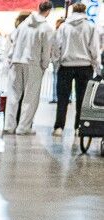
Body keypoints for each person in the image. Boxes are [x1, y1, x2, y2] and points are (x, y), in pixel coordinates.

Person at [6, 3, 56, 135]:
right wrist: (44, 65)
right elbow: (46, 50)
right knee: (30, 97)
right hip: (33, 63)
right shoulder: (46, 28)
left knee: (13, 96)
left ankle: (9, 126)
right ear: (48, 11)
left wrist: (11, 59)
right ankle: (23, 127)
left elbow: (14, 42)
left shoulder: (23, 24)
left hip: (16, 61)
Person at [53, 3, 101, 137]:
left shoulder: (63, 27)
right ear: (85, 11)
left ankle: (59, 127)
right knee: (82, 99)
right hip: (84, 67)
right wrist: (96, 66)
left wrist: (57, 63)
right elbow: (94, 48)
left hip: (66, 66)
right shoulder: (90, 27)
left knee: (62, 99)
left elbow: (57, 46)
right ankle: (78, 127)